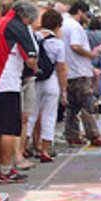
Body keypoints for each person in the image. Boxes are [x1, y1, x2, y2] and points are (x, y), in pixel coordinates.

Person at [0, 0, 40, 185]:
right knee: (8, 129)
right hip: (5, 81)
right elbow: (31, 56)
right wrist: (34, 68)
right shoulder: (17, 26)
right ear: (26, 16)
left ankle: (2, 168)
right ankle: (5, 170)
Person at [60, 1, 101, 147]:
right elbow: (75, 46)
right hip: (79, 71)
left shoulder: (63, 24)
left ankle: (72, 134)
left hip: (69, 70)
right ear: (80, 12)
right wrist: (91, 54)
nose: (87, 18)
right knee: (87, 103)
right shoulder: (74, 26)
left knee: (72, 106)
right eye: (86, 14)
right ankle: (93, 134)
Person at [29, 8, 68, 162]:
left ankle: (23, 148)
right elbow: (61, 67)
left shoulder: (34, 38)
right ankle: (45, 149)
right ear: (58, 26)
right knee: (49, 116)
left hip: (35, 78)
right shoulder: (58, 44)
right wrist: (63, 88)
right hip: (51, 80)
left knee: (31, 115)